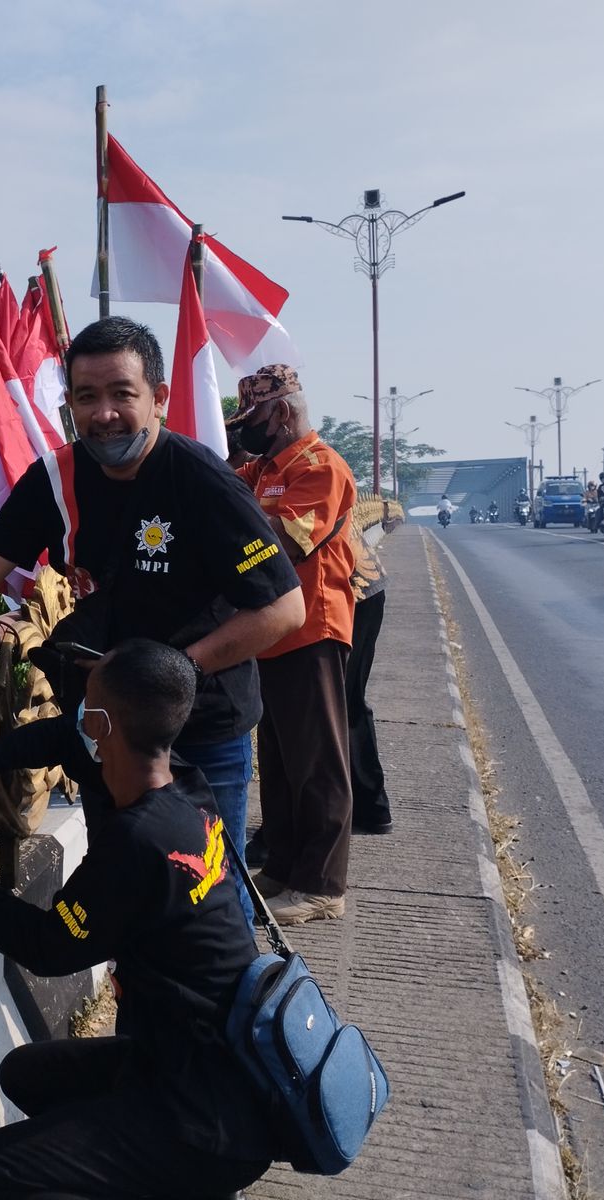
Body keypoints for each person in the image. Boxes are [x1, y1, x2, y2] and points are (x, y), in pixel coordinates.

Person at [0, 316, 305, 853]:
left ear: (158, 397)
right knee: (119, 883)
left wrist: (177, 668)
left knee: (208, 893)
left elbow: (284, 608)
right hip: (107, 729)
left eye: (122, 394)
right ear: (70, 403)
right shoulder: (58, 475)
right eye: (87, 397)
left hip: (200, 724)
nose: (104, 414)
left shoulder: (203, 481)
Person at [0, 640, 278, 1200]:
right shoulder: (188, 791)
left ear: (100, 726)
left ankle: (185, 1183)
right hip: (209, 1070)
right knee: (28, 1076)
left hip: (201, 1121)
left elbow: (50, 948)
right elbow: (53, 739)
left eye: (86, 706)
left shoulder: (136, 839)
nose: (74, 715)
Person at [230, 365, 356, 925]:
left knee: (318, 764)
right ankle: (282, 868)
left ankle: (323, 884)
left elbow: (285, 543)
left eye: (253, 417)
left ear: (281, 412)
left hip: (312, 630)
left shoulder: (319, 467)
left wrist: (235, 520)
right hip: (271, 636)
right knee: (278, 764)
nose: (246, 430)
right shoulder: (258, 470)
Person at [346, 522, 393, 836]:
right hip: (355, 588)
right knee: (343, 701)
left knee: (342, 700)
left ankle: (371, 806)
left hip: (356, 593)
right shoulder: (259, 477)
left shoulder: (302, 474)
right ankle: (369, 807)